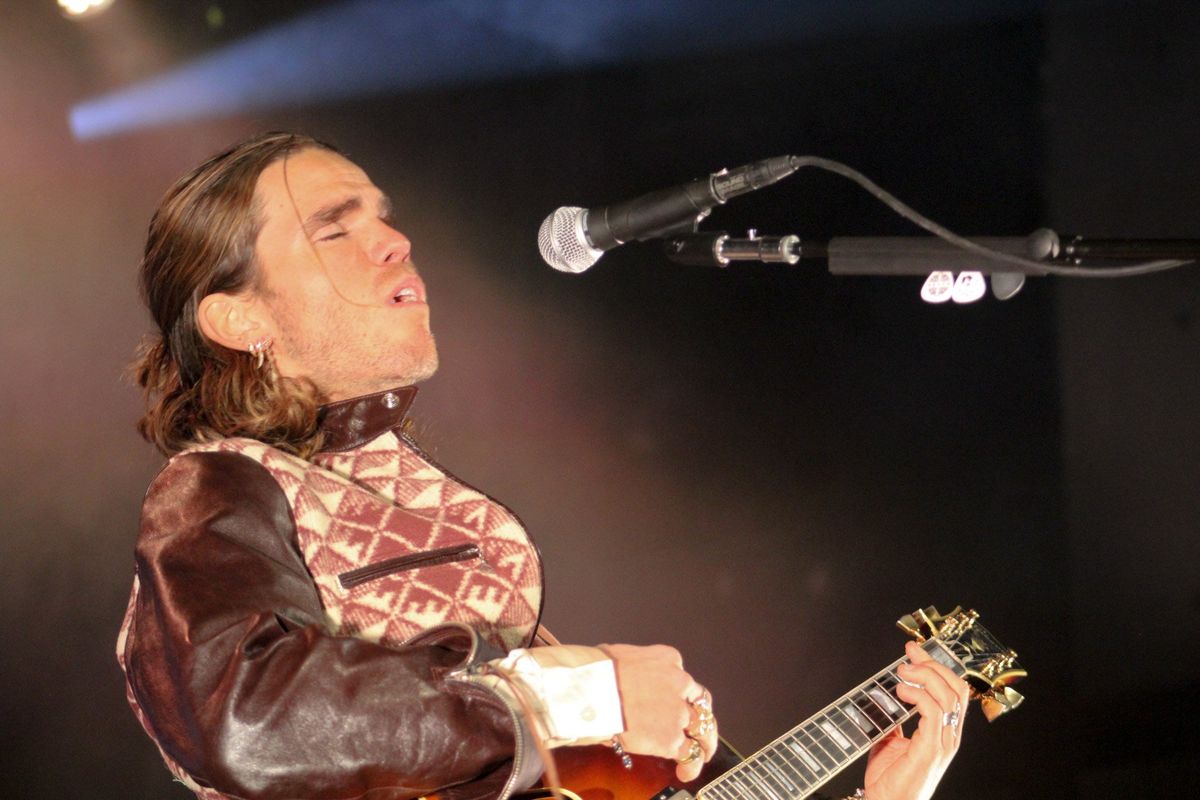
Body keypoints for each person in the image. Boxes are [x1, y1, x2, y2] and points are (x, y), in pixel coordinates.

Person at [118, 132, 970, 800]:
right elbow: (245, 719)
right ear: (237, 318)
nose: (396, 240)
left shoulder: (419, 497)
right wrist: (567, 693)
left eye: (382, 215)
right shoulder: (219, 488)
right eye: (336, 228)